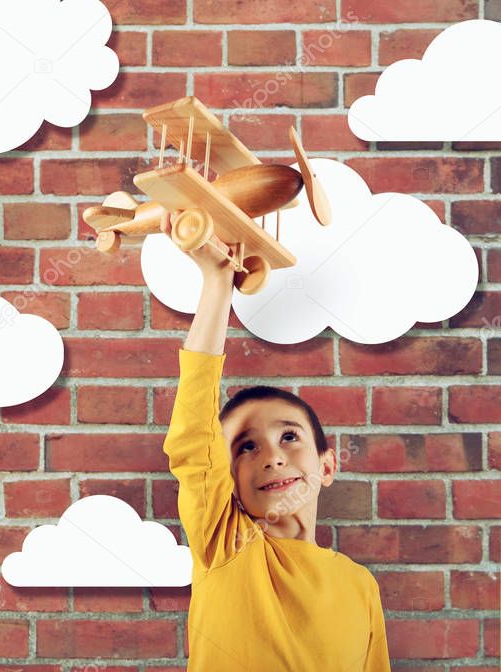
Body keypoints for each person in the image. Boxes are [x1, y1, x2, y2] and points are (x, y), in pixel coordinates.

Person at [162, 214, 391, 671]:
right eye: (245, 446)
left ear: (327, 467)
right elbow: (193, 435)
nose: (272, 457)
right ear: (225, 480)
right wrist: (217, 282)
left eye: (289, 436)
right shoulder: (224, 546)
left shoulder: (360, 585)